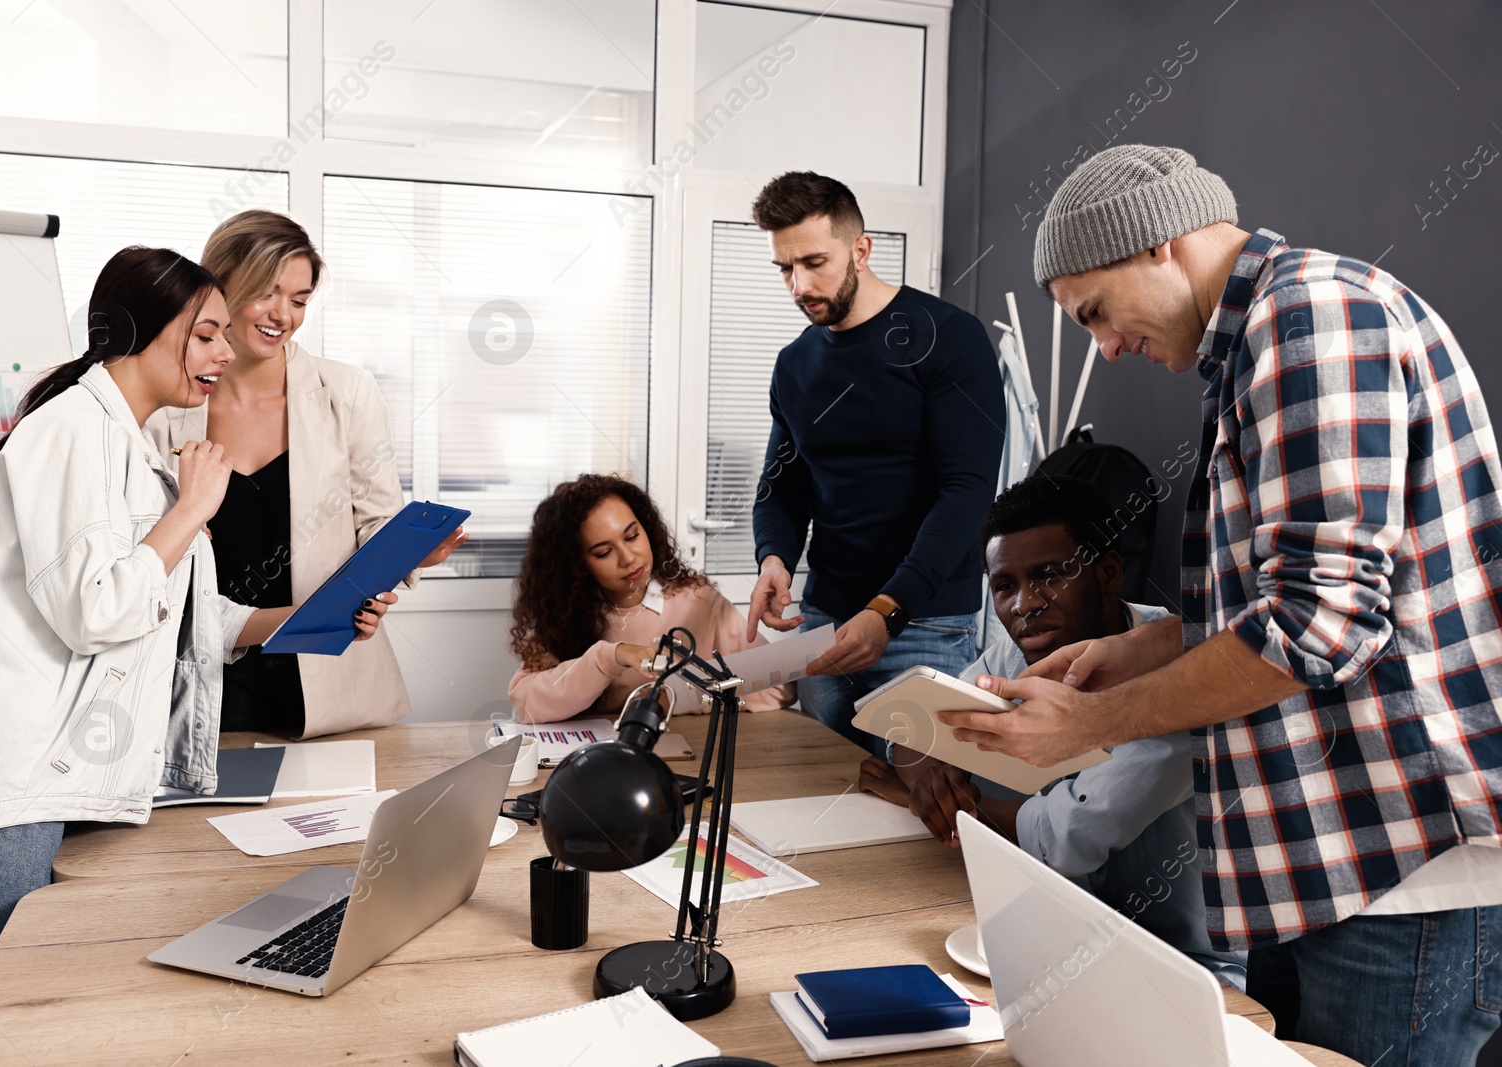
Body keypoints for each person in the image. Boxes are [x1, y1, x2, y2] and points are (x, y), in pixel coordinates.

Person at [945, 144, 1502, 1066]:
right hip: (1338, 857)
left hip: (1401, 861)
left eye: (1096, 312)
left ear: (1157, 246)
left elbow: (1320, 627)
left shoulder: (1310, 317)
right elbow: (1296, 598)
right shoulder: (1260, 337)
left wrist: (1091, 718)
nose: (1107, 346)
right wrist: (1149, 647)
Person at [0, 247, 392, 1061]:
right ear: (140, 331)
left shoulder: (125, 446)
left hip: (67, 782)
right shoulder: (69, 431)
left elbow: (188, 616)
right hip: (10, 784)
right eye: (205, 335)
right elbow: (95, 608)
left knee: (29, 1026)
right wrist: (197, 505)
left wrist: (316, 614)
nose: (225, 353)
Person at [859, 475, 1244, 986]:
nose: (1023, 605)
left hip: (1179, 966)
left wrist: (928, 803)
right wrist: (926, 773)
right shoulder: (1018, 653)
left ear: (1107, 572)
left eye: (1048, 576)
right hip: (1055, 930)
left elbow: (1057, 839)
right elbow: (910, 724)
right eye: (1004, 585)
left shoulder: (1179, 678)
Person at [146, 210, 463, 738]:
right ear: (219, 286)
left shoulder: (347, 391)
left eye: (300, 300)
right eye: (267, 293)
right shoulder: (168, 402)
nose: (283, 316)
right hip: (197, 683)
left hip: (326, 684)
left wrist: (408, 553)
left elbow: (377, 523)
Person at [744, 171, 1004, 755]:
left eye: (814, 262)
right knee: (833, 797)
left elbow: (967, 492)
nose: (798, 285)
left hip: (924, 625)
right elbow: (782, 486)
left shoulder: (949, 338)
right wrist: (774, 557)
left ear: (861, 248)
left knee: (925, 813)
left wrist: (888, 610)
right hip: (823, 625)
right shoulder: (794, 365)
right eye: (785, 268)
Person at [508, 474, 794, 722]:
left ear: (646, 528)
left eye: (632, 536)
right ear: (577, 564)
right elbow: (526, 705)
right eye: (604, 552)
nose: (628, 558)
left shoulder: (699, 600)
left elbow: (779, 685)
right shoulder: (565, 614)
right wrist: (610, 656)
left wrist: (679, 699)